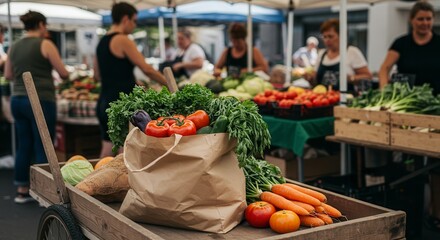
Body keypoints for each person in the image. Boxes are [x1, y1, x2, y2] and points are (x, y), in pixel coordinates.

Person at [378, 1, 440, 232]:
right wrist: (385, 93)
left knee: (436, 163)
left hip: (435, 111)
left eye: (428, 19)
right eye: (420, 19)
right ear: (412, 20)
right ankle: (408, 208)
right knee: (409, 161)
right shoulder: (401, 43)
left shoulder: (438, 42)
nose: (425, 23)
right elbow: (384, 69)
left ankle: (435, 213)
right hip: (406, 112)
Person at [4, 11, 69, 203]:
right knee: (43, 144)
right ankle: (46, 192)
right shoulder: (46, 44)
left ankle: (22, 189)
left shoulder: (14, 46)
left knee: (24, 144)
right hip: (40, 99)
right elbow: (63, 73)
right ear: (41, 24)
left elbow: (8, 75)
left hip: (18, 99)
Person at [93, 2, 167, 158]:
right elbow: (146, 69)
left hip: (104, 101)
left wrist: (130, 81)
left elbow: (97, 76)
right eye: (134, 21)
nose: (134, 25)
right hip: (120, 104)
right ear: (125, 19)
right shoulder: (122, 39)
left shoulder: (101, 42)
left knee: (108, 150)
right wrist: (169, 83)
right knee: (123, 153)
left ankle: (97, 180)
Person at [309, 18, 372, 92]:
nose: (327, 40)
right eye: (324, 37)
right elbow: (315, 81)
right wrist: (310, 79)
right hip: (322, 100)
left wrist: (351, 78)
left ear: (342, 36)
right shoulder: (321, 54)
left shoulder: (351, 52)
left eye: (330, 36)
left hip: (346, 99)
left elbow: (368, 77)